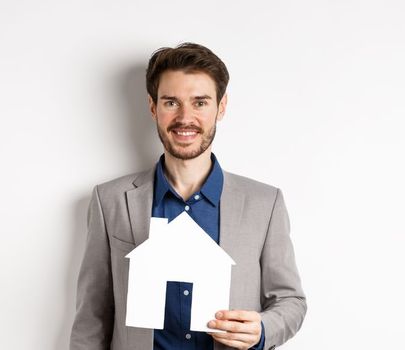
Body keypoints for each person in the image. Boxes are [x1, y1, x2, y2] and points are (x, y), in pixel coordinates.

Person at [70, 42, 306, 350]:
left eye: (200, 102)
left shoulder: (265, 203)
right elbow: (92, 316)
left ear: (221, 107)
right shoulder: (110, 200)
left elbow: (291, 301)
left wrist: (262, 330)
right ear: (153, 107)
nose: (185, 117)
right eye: (171, 102)